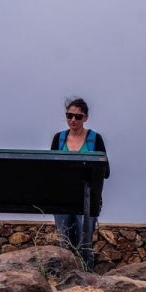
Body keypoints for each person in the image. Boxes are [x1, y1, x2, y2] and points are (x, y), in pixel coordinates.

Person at [50, 97, 109, 270]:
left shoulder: (94, 139)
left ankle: (87, 279)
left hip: (87, 199)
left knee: (85, 245)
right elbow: (50, 168)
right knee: (65, 244)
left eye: (78, 117)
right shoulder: (59, 139)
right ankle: (67, 281)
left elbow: (106, 171)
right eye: (69, 116)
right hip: (61, 199)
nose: (73, 120)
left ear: (85, 118)